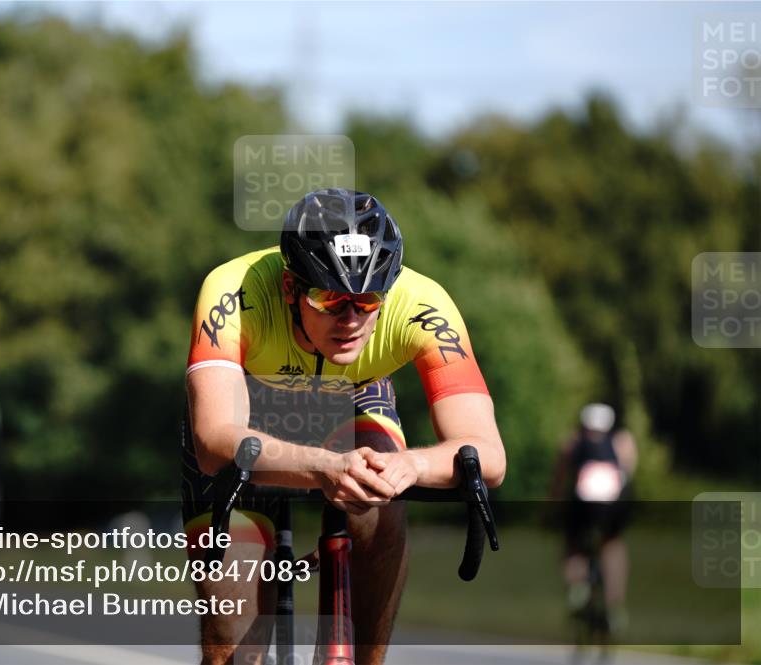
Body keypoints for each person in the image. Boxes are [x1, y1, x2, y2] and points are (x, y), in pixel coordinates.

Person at [181, 188, 506, 665]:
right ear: (291, 288)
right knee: (233, 643)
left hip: (355, 397)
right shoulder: (233, 290)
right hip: (248, 412)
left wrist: (409, 466)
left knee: (379, 493)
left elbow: (488, 454)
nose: (351, 318)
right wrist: (322, 467)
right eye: (330, 297)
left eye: (368, 299)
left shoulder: (424, 305)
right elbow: (214, 441)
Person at [551, 402, 637, 636]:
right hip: (612, 508)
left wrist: (553, 507)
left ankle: (576, 586)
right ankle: (614, 605)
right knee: (613, 545)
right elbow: (628, 475)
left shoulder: (572, 441)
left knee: (573, 543)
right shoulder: (623, 441)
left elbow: (559, 480)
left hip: (581, 506)